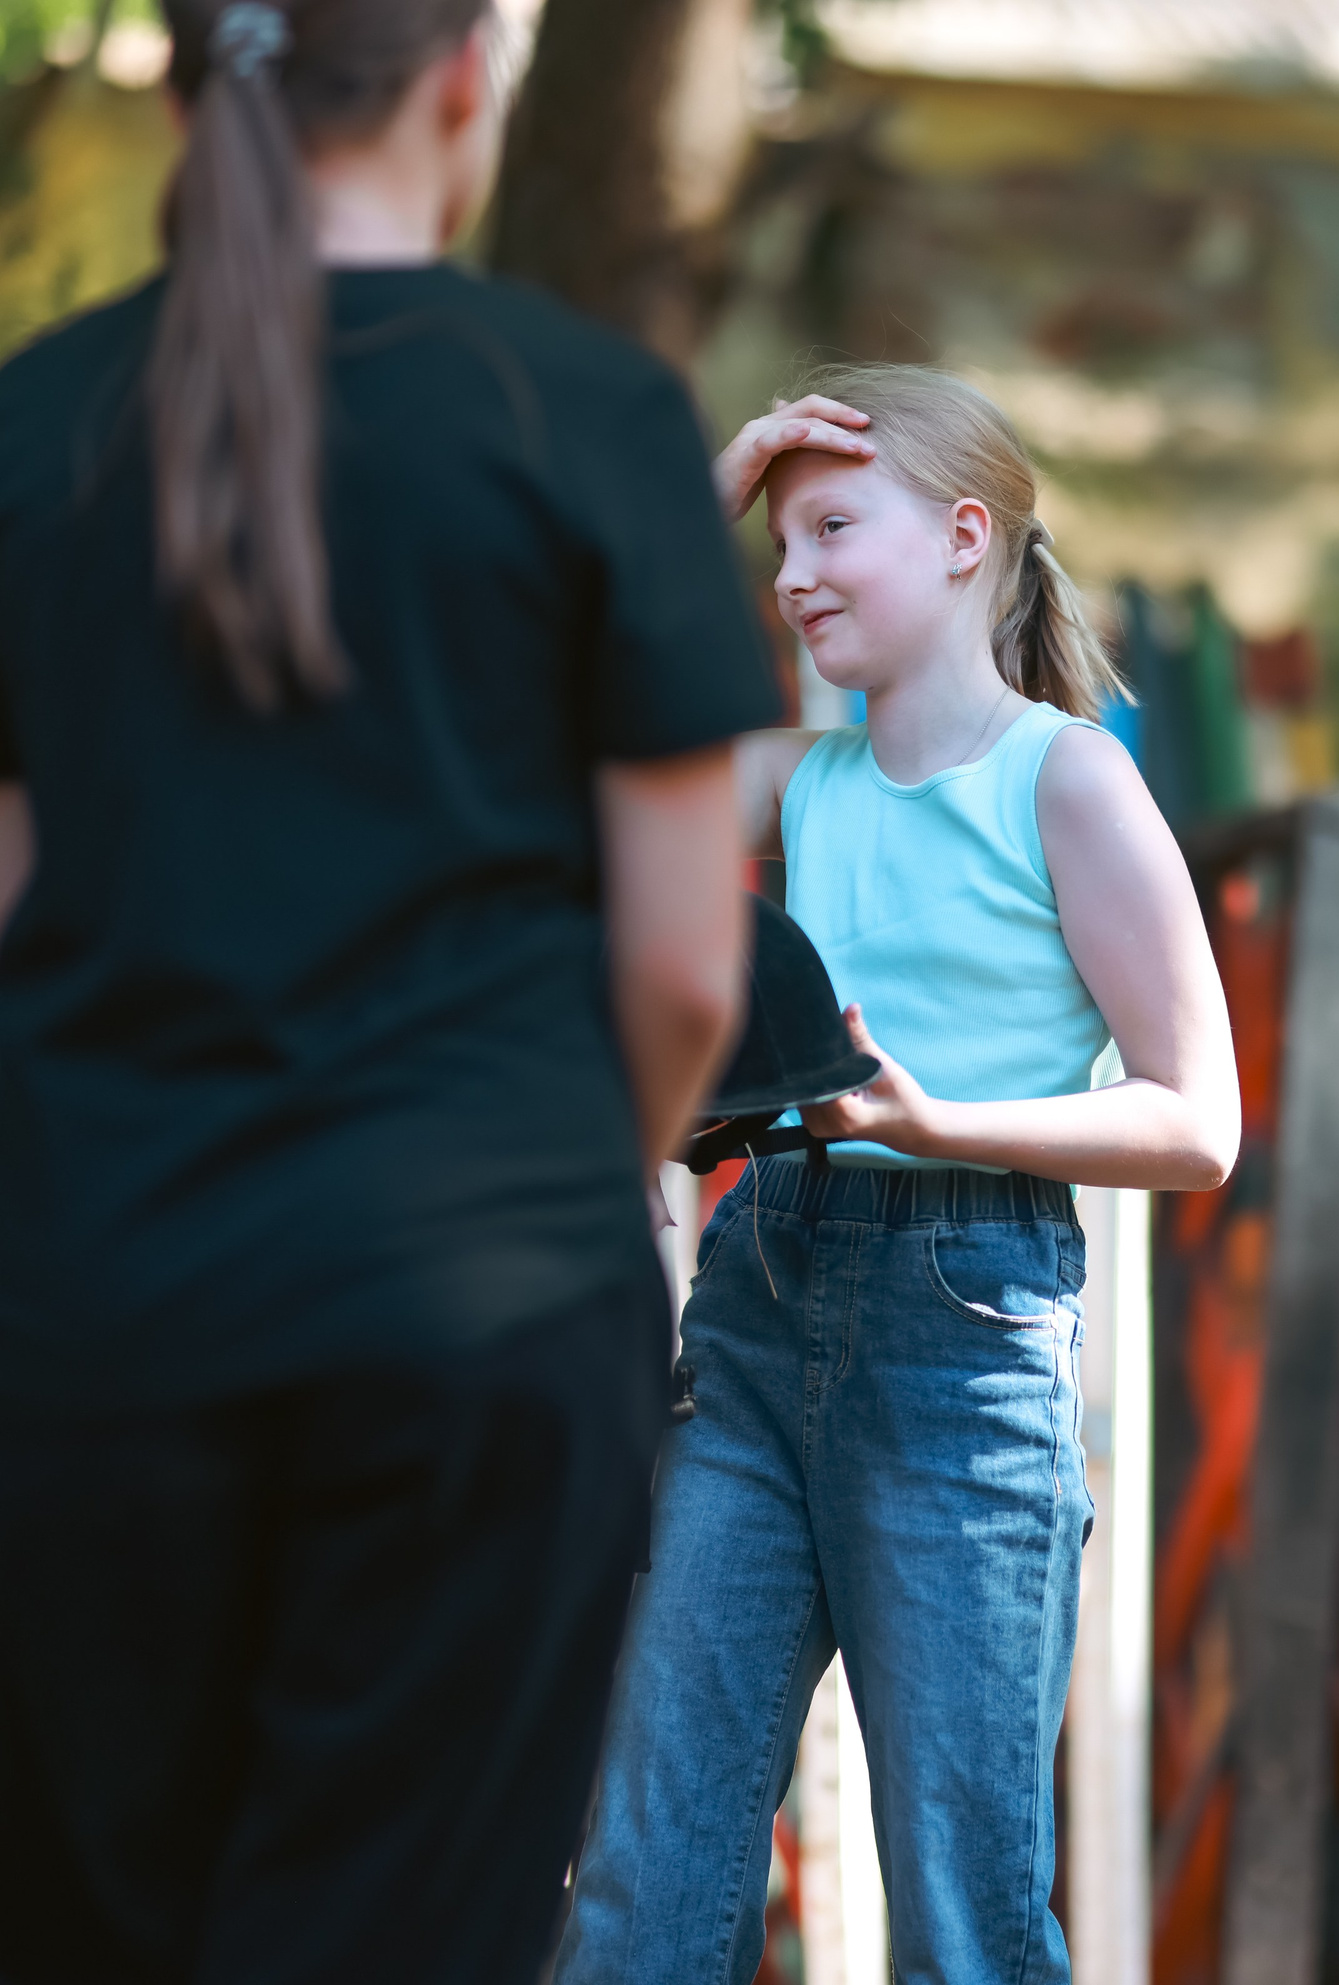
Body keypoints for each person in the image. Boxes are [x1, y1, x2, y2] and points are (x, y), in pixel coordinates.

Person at [0, 3, 783, 1980]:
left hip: (88, 1312)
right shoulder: (587, 413)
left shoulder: (34, 422)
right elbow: (688, 958)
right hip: (478, 1328)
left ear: (184, 86)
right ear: (462, 81)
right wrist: (531, 1196)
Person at [555, 366, 1241, 1985]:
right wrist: (707, 495)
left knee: (965, 1926)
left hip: (967, 1327)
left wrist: (937, 1123)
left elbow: (1199, 1123)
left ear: (961, 536)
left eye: (828, 528)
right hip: (757, 1305)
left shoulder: (1070, 780)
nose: (793, 576)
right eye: (777, 540)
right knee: (643, 1894)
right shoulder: (800, 778)